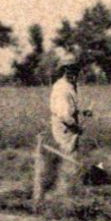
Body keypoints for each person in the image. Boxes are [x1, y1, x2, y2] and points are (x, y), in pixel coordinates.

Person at [37, 54, 86, 203]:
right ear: (65, 71)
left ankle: (69, 188)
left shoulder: (69, 86)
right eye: (71, 70)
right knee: (69, 155)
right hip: (65, 126)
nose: (75, 73)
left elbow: (70, 109)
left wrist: (81, 112)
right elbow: (64, 115)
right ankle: (65, 192)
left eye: (76, 70)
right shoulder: (62, 88)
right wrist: (76, 127)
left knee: (72, 154)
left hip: (68, 123)